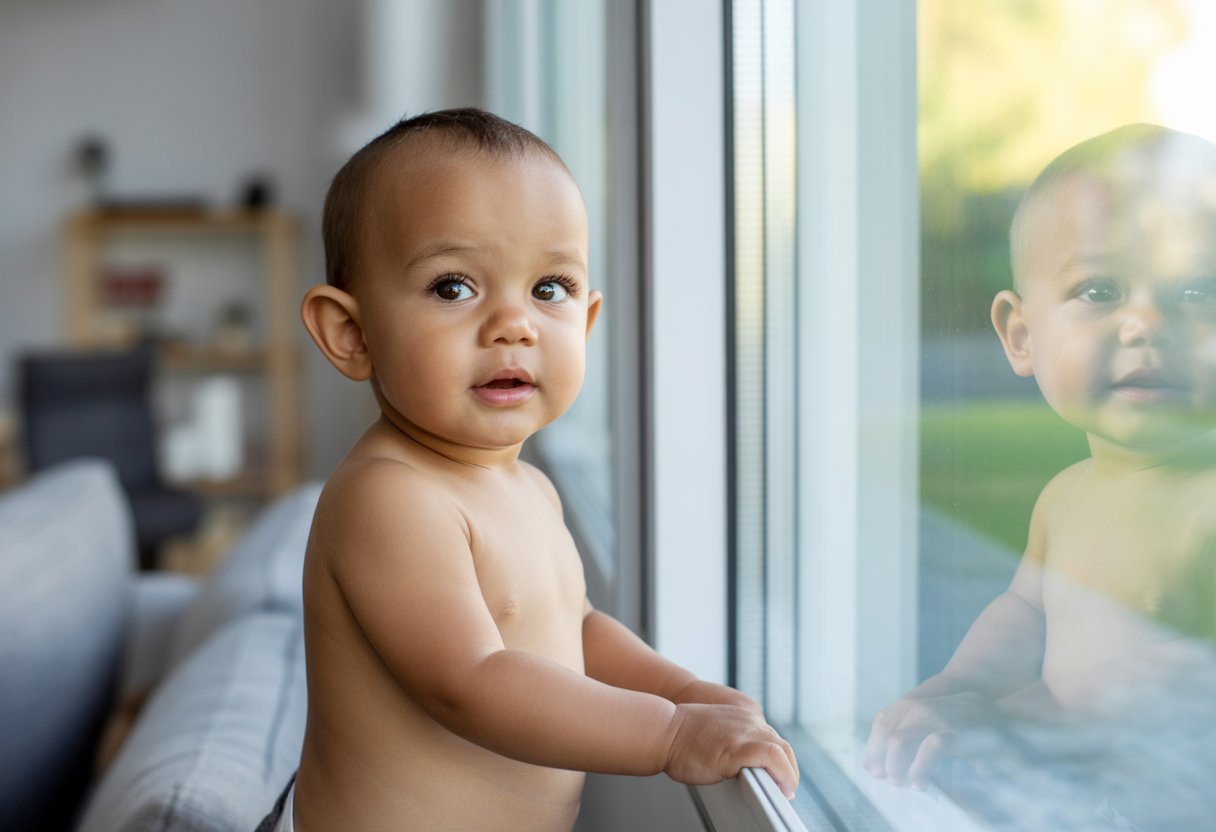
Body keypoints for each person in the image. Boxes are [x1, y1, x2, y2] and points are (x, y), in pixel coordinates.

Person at [258, 108, 798, 832]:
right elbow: (472, 682)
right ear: (351, 334)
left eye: (550, 289)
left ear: (587, 321)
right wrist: (670, 735)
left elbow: (575, 630)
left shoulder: (529, 487)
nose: (514, 324)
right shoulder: (387, 498)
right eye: (455, 287)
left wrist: (687, 693)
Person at [863, 124, 1216, 812]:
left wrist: (1016, 723)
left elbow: (1184, 676)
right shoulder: (1065, 496)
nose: (1147, 321)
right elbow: (1026, 611)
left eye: (1198, 291)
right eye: (1100, 290)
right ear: (1021, 338)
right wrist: (958, 687)